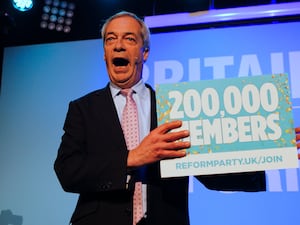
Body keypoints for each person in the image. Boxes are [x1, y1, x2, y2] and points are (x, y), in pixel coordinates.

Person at [54, 11, 299, 225]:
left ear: (145, 52)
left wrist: (272, 149)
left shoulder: (175, 106)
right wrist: (131, 158)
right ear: (105, 53)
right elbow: (68, 171)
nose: (118, 46)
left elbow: (211, 170)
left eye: (129, 39)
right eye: (111, 40)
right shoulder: (83, 109)